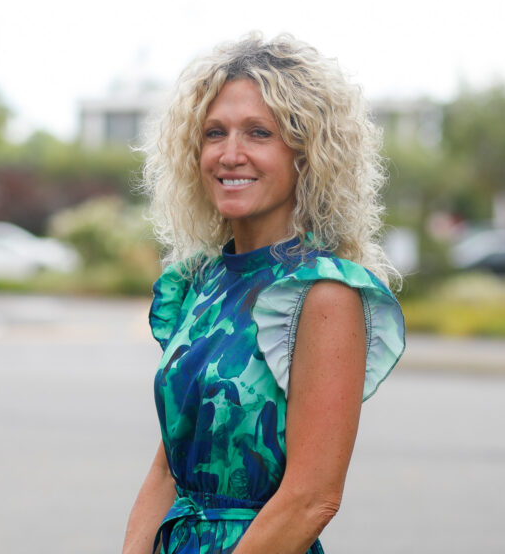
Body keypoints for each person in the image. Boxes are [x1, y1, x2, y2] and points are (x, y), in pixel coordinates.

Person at [122, 33, 406, 554]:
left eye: (258, 133)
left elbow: (312, 498)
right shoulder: (200, 283)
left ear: (306, 153)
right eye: (214, 133)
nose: (231, 154)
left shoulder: (323, 294)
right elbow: (167, 468)